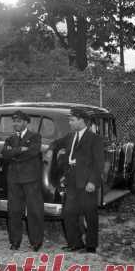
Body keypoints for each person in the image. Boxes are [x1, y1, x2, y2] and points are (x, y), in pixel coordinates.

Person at [47, 108, 104, 253]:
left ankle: (91, 245)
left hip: (87, 182)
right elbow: (56, 143)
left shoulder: (94, 139)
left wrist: (93, 182)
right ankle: (75, 243)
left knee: (90, 214)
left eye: (72, 120)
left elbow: (99, 164)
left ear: (81, 120)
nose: (70, 122)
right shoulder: (70, 136)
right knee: (68, 213)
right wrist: (50, 149)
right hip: (71, 181)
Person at [1, 110, 44, 252]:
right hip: (13, 180)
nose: (16, 124)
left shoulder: (35, 136)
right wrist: (20, 149)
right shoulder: (10, 139)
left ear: (26, 122)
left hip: (31, 180)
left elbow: (33, 152)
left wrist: (14, 153)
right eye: (14, 121)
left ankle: (36, 241)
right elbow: (5, 154)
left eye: (19, 121)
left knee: (34, 211)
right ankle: (15, 241)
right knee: (14, 211)